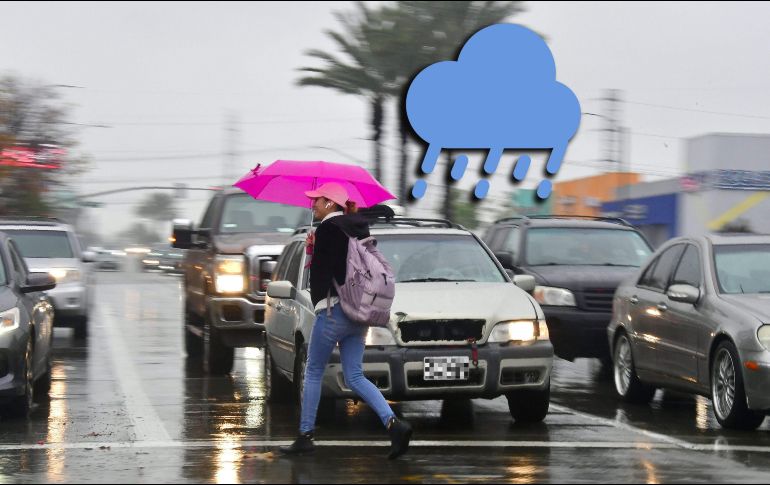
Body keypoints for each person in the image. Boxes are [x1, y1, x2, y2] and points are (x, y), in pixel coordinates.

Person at [280, 182, 412, 459]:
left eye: (316, 200)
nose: (312, 205)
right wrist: (314, 248)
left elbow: (324, 274)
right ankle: (394, 424)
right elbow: (341, 264)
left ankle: (305, 435)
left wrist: (314, 248)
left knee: (313, 370)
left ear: (330, 203)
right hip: (357, 313)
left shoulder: (328, 229)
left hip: (333, 311)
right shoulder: (353, 227)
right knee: (354, 375)